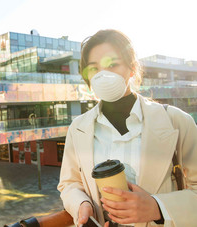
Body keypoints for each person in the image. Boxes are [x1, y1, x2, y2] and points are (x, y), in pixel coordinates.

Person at [57, 29, 197, 227]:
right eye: (93, 68)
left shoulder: (177, 121)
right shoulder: (78, 128)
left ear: (132, 68)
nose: (103, 74)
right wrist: (82, 204)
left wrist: (158, 208)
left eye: (112, 64)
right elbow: (69, 184)